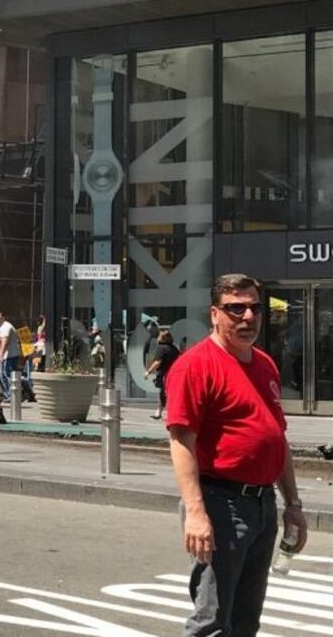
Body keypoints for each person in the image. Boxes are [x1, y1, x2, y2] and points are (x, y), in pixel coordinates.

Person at [165, 273, 307, 636]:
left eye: (254, 308)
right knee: (212, 621)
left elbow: (277, 439)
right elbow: (182, 441)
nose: (248, 317)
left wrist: (293, 503)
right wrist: (196, 513)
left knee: (246, 620)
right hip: (220, 503)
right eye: (235, 308)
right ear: (215, 314)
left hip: (261, 505)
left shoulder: (264, 364)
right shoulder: (195, 365)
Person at [144, 330, 180, 420]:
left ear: (161, 338)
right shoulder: (174, 348)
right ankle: (169, 412)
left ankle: (159, 413)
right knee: (170, 393)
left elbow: (157, 362)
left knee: (162, 393)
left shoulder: (161, 348)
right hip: (175, 373)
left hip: (164, 374)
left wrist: (148, 372)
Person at [0, 311, 22, 402]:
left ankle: (11, 395)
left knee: (7, 375)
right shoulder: (1, 327)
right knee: (4, 375)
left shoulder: (6, 326)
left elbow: (5, 341)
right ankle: (9, 394)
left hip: (10, 355)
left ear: (1, 316)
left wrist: (1, 355)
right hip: (8, 355)